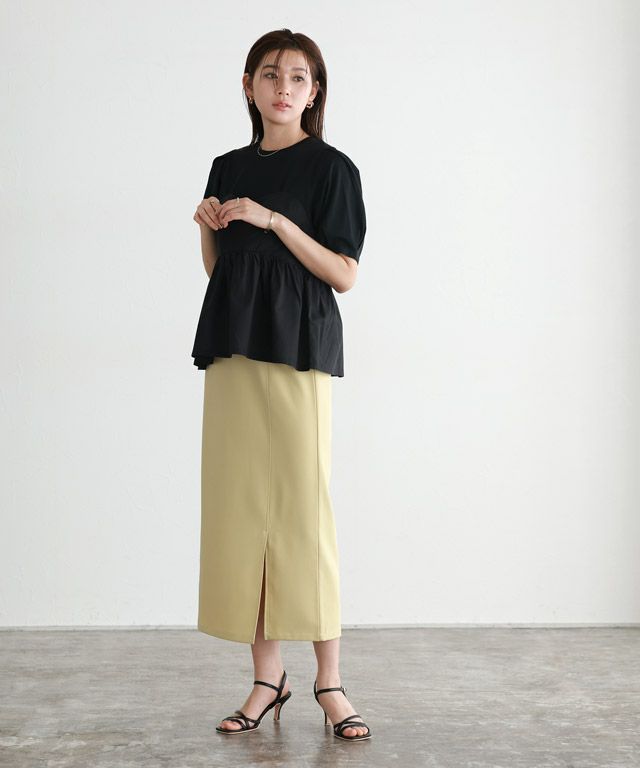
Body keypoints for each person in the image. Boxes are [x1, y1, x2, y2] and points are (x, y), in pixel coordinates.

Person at [191, 29, 370, 741]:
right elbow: (225, 273)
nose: (283, 87)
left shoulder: (332, 169)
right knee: (241, 511)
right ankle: (269, 679)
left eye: (298, 77)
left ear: (314, 91)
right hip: (235, 347)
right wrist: (207, 227)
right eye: (270, 74)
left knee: (302, 512)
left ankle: (330, 682)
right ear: (248, 86)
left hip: (299, 350)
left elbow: (344, 274)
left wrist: (273, 220)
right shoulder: (226, 165)